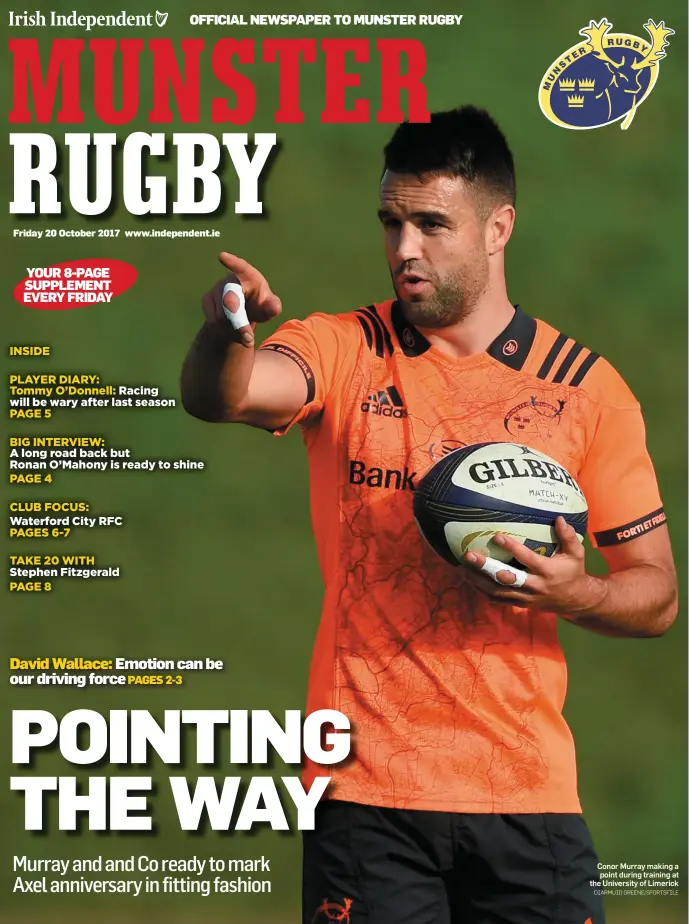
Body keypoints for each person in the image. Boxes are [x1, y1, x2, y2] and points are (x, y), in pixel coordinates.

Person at [181, 106, 677, 924]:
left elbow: (655, 594)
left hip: (529, 798)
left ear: (497, 227)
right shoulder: (342, 348)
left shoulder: (586, 390)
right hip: (364, 797)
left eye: (431, 224)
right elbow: (223, 397)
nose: (404, 249)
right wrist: (227, 333)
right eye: (392, 222)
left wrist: (573, 593)